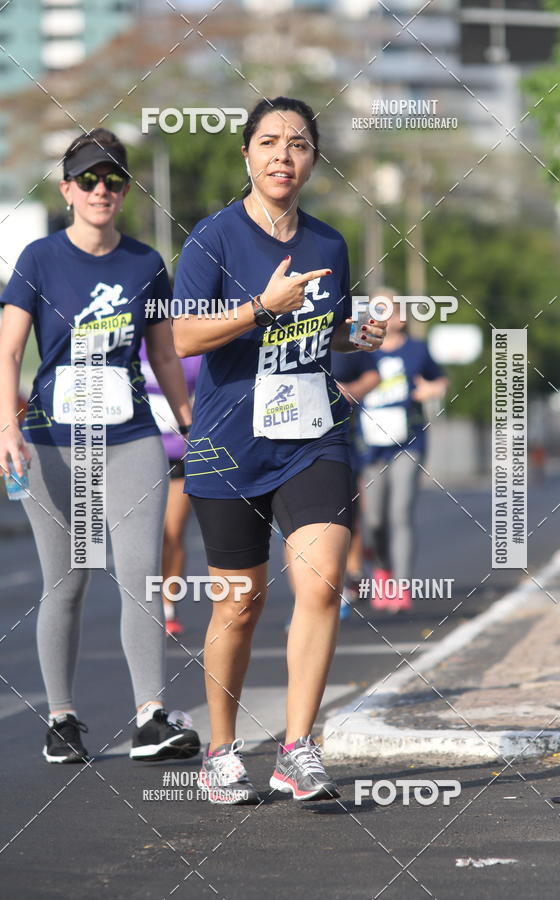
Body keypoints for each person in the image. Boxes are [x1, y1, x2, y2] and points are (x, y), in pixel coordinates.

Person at [173, 97, 385, 804]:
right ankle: (221, 750)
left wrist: (359, 335)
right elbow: (184, 339)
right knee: (238, 606)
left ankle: (298, 747)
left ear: (313, 160)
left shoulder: (329, 242)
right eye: (268, 142)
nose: (282, 156)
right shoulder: (212, 239)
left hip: (310, 436)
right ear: (246, 155)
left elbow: (326, 328)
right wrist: (263, 306)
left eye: (297, 144)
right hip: (230, 445)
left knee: (323, 580)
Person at [0, 128, 200, 763]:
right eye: (88, 179)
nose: (101, 190)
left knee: (140, 573)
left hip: (132, 435)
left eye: (113, 180)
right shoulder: (38, 259)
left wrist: (192, 424)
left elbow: (164, 352)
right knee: (69, 580)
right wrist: (6, 426)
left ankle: (150, 717)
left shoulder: (145, 264)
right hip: (53, 441)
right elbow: (7, 351)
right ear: (67, 190)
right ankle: (61, 719)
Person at [360, 292, 448, 613]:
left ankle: (401, 585)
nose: (381, 316)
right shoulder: (360, 348)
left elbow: (439, 380)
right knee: (374, 521)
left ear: (401, 317)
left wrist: (431, 390)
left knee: (400, 513)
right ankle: (382, 572)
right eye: (374, 310)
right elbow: (339, 378)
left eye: (387, 310)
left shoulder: (417, 350)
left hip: (408, 442)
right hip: (369, 446)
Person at [139, 341, 202, 635]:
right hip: (137, 449)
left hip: (178, 451)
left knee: (173, 533)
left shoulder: (189, 346)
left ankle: (167, 604)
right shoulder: (129, 341)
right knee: (145, 535)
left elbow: (203, 393)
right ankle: (142, 604)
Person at [330, 349, 380, 617]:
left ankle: (354, 572)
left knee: (349, 514)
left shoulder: (345, 323)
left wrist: (350, 391)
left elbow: (373, 375)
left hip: (343, 439)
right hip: (291, 442)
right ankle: (311, 594)